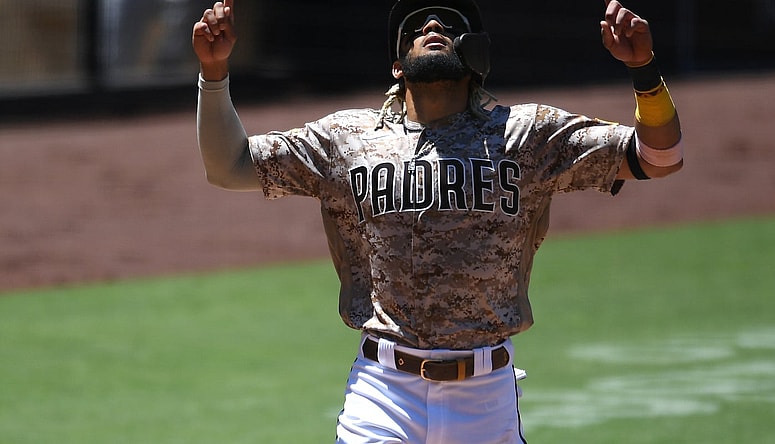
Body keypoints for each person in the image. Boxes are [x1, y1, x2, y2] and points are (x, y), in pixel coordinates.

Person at [192, 0, 683, 442]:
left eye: (450, 23)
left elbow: (660, 157)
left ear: (477, 55)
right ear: (397, 64)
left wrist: (644, 71)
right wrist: (213, 74)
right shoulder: (345, 139)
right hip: (383, 393)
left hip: (486, 398)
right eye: (415, 26)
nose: (432, 24)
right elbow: (229, 165)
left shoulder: (527, 135)